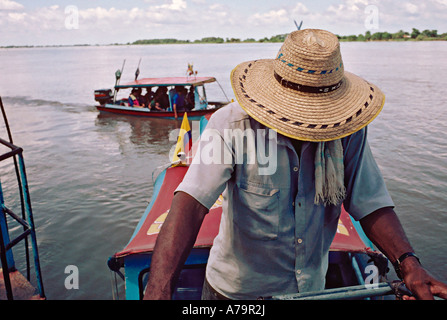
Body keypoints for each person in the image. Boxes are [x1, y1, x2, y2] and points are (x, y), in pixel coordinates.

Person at [144, 29, 447, 300]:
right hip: (236, 293)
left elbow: (369, 202)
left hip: (310, 289)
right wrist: (158, 290)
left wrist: (408, 264)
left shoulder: (346, 130)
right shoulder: (232, 124)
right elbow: (191, 203)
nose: (312, 125)